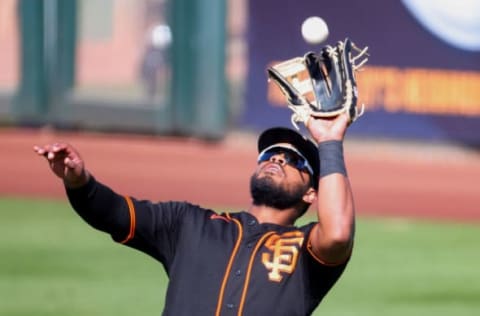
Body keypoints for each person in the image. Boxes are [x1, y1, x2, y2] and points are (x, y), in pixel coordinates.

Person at [33, 113, 355, 316]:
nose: (278, 160)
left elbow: (339, 233)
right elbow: (113, 213)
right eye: (271, 154)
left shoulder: (306, 249)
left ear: (312, 192)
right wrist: (78, 181)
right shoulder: (188, 224)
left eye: (294, 161)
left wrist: (329, 142)